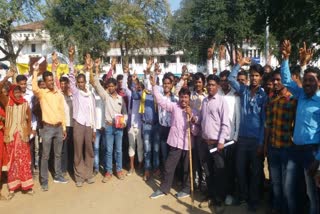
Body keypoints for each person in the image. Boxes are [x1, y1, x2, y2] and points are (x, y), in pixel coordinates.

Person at [280, 40, 320, 214]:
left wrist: (318, 160)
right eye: (306, 80)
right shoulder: (301, 94)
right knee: (289, 189)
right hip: (295, 149)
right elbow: (287, 80)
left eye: (312, 80)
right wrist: (286, 58)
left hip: (312, 152)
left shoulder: (319, 103)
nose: (308, 83)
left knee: (312, 195)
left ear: (319, 83)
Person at [228, 52, 267, 212]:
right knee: (240, 170)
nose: (254, 78)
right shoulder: (243, 90)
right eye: (252, 75)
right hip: (242, 140)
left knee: (256, 173)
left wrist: (260, 143)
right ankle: (244, 196)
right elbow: (231, 79)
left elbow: (264, 122)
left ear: (261, 77)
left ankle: (254, 200)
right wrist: (240, 64)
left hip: (255, 141)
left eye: (257, 75)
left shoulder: (263, 96)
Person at [149, 76, 196, 199]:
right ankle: (164, 189)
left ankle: (186, 189)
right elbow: (161, 101)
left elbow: (197, 127)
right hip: (175, 143)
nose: (183, 100)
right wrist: (154, 86)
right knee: (169, 166)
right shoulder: (174, 107)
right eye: (181, 97)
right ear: (179, 97)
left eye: (186, 97)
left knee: (186, 168)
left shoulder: (193, 111)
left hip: (188, 143)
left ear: (189, 98)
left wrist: (192, 117)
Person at [32, 65, 68, 192]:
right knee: (45, 156)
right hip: (47, 128)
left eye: (52, 80)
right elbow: (34, 88)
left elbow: (62, 111)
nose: (51, 82)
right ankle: (44, 181)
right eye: (48, 80)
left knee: (58, 154)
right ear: (45, 82)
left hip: (58, 128)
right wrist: (35, 72)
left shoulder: (58, 93)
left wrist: (63, 127)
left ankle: (58, 176)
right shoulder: (42, 93)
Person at [198, 74, 230, 211]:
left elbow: (225, 124)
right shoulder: (204, 101)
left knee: (219, 172)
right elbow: (201, 119)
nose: (210, 87)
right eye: (208, 84)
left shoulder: (222, 101)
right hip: (205, 143)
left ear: (217, 86)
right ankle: (210, 196)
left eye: (213, 85)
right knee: (208, 172)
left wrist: (221, 141)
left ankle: (219, 200)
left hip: (217, 144)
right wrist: (192, 118)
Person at [92, 63, 128, 182]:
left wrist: (125, 122)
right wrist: (96, 69)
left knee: (118, 150)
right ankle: (108, 172)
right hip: (108, 127)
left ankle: (119, 170)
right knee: (108, 150)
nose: (111, 88)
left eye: (113, 86)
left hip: (119, 128)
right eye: (109, 86)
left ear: (116, 86)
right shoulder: (105, 96)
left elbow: (125, 113)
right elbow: (97, 84)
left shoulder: (120, 99)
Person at [4, 76, 34, 199]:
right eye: (15, 92)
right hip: (11, 137)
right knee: (12, 163)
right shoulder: (7, 102)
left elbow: (29, 118)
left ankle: (26, 186)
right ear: (11, 92)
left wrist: (28, 131)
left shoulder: (25, 103)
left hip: (22, 137)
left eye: (19, 92)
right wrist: (6, 76)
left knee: (23, 161)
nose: (17, 94)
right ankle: (12, 188)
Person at [69, 60, 96, 187]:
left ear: (85, 82)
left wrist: (94, 129)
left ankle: (88, 174)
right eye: (78, 82)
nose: (80, 84)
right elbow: (71, 79)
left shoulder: (90, 94)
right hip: (78, 124)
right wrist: (71, 58)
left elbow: (93, 113)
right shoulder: (75, 92)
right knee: (78, 151)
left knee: (89, 150)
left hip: (89, 125)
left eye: (82, 82)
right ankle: (79, 176)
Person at [218, 70, 240, 205]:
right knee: (220, 169)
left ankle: (230, 194)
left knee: (230, 168)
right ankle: (220, 193)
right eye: (222, 80)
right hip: (218, 139)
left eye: (226, 80)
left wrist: (235, 138)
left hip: (231, 139)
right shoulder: (217, 95)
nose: (224, 82)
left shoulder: (235, 97)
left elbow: (238, 119)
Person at [0, 70, 13, 200]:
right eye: (2, 92)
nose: (4, 94)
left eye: (6, 92)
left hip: (5, 134)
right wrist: (6, 77)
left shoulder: (8, 103)